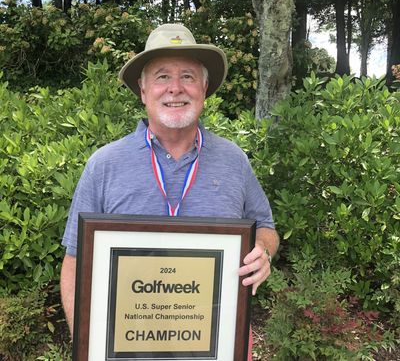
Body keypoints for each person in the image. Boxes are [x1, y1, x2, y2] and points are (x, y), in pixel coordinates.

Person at [60, 23, 279, 359]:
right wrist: (87, 345)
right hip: (127, 347)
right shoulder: (104, 165)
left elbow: (266, 226)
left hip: (218, 341)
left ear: (204, 88)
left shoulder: (234, 160)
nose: (175, 88)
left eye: (188, 76)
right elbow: (75, 263)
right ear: (144, 90)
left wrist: (262, 250)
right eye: (162, 76)